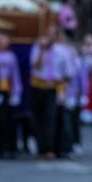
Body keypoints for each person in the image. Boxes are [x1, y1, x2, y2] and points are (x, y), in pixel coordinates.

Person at [29, 26, 73, 159]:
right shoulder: (37, 48)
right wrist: (42, 50)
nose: (49, 38)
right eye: (48, 35)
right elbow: (35, 65)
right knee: (38, 118)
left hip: (53, 88)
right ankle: (40, 147)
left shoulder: (61, 51)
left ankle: (49, 148)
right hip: (38, 86)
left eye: (53, 35)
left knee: (50, 119)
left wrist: (63, 87)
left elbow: (68, 72)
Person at [0, 32, 22, 158]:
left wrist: (17, 92)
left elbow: (15, 74)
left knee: (8, 120)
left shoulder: (11, 56)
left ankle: (9, 147)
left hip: (6, 89)